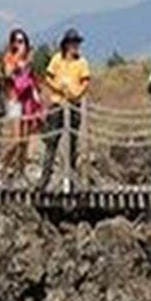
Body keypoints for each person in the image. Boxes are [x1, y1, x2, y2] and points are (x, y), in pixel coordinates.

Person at [39, 29, 91, 191]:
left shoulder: (82, 62)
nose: (76, 46)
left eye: (77, 43)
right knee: (51, 142)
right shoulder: (57, 59)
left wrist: (75, 94)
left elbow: (85, 83)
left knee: (72, 143)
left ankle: (72, 179)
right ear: (66, 44)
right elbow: (48, 78)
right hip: (57, 104)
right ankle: (44, 179)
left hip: (73, 104)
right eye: (73, 43)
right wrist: (58, 89)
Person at [0, 28, 42, 182]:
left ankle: (20, 172)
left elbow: (33, 80)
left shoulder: (29, 60)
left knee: (25, 141)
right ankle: (2, 166)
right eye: (16, 41)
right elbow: (7, 73)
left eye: (22, 41)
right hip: (14, 99)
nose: (19, 44)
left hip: (27, 101)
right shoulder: (10, 57)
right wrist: (18, 57)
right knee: (16, 139)